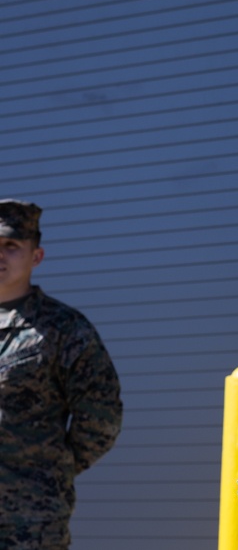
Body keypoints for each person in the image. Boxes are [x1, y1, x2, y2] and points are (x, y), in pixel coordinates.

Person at [0, 199, 123, 550]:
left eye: (11, 246)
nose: (1, 256)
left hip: (29, 522)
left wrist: (50, 466)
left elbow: (101, 418)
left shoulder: (64, 329)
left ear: (36, 256)